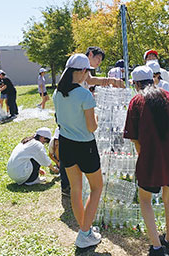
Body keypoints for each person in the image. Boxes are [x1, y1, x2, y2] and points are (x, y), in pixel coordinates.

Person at [124, 65, 169, 256]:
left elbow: (135, 139)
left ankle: (156, 246)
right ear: (153, 79)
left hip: (150, 157)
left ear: (135, 84)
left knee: (145, 199)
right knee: (168, 198)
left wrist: (144, 159)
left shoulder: (136, 101)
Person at [53, 53, 103, 248]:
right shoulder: (84, 94)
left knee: (76, 189)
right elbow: (92, 127)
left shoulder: (58, 93)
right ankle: (84, 232)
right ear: (83, 71)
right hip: (85, 146)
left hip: (66, 144)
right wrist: (97, 118)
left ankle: (85, 229)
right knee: (97, 187)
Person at [48, 127, 70, 196]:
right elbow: (50, 155)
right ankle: (65, 188)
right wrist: (57, 162)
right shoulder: (52, 143)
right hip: (59, 158)